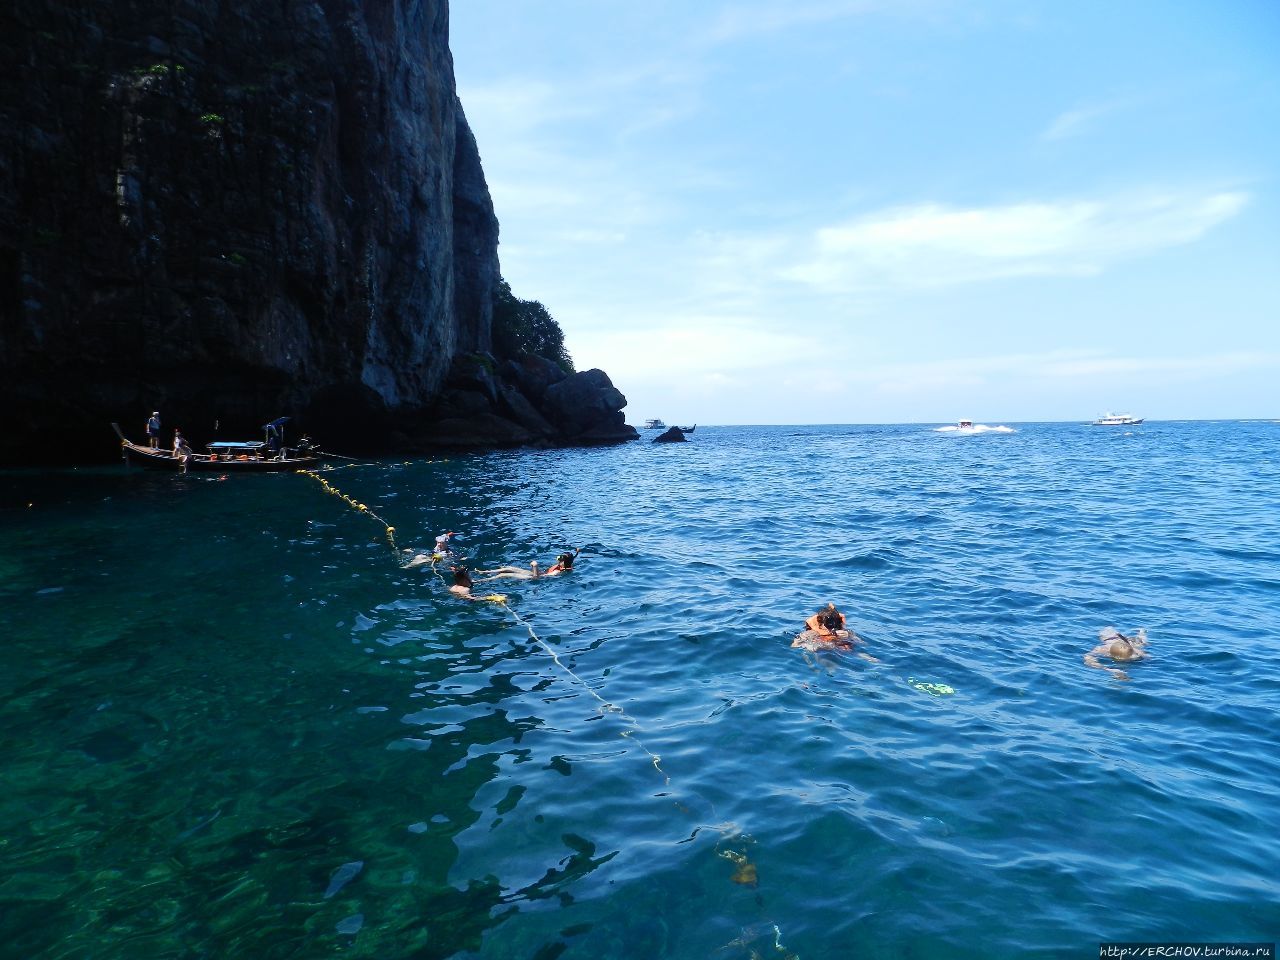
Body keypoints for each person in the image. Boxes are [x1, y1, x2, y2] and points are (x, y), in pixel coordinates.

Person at [793, 603, 879, 661]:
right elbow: (795, 645)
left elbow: (863, 644)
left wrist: (850, 635)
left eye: (835, 625)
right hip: (827, 650)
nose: (832, 629)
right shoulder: (811, 633)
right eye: (829, 626)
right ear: (820, 624)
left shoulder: (845, 633)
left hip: (830, 650)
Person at [1084, 627, 1149, 680]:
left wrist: (1108, 669)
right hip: (1111, 638)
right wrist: (1107, 669)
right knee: (1107, 630)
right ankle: (1142, 633)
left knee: (1141, 643)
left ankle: (1142, 633)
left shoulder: (1135, 651)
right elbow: (1087, 657)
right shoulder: (1103, 649)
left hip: (1121, 641)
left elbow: (1088, 657)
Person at [475, 561, 541, 581]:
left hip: (533, 577)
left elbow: (536, 577)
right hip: (533, 573)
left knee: (502, 575)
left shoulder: (551, 574)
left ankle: (478, 581)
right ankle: (484, 572)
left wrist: (535, 566)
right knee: (509, 568)